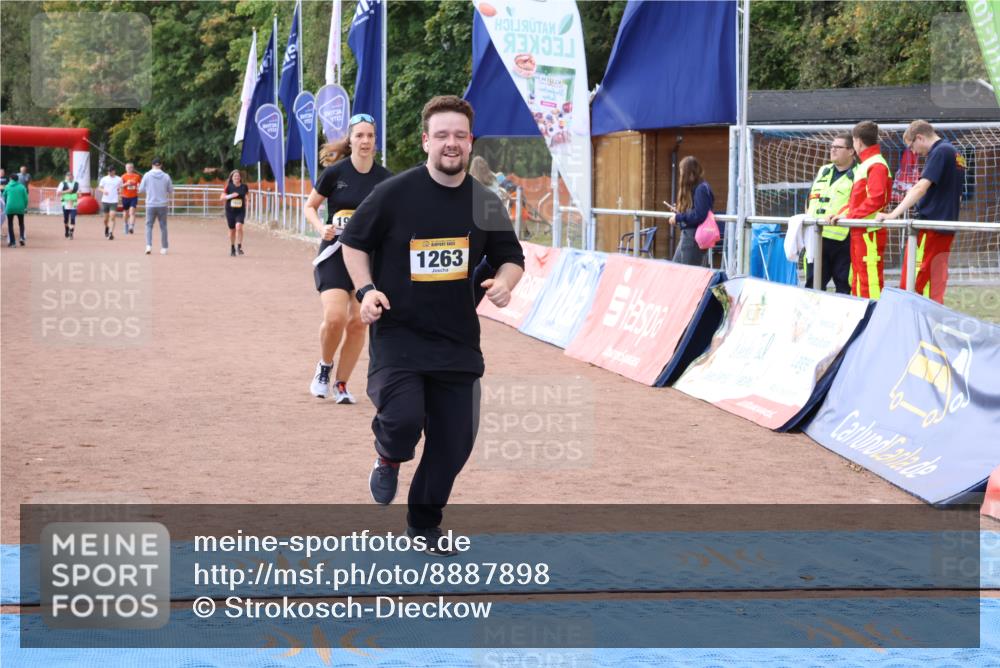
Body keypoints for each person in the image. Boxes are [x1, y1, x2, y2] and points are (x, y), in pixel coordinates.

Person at [340, 95, 525, 556]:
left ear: (471, 142)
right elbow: (354, 243)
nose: (451, 143)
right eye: (441, 135)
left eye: (459, 136)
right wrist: (366, 291)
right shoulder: (394, 193)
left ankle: (424, 525)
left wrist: (504, 284)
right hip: (398, 334)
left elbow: (512, 258)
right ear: (425, 140)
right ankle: (387, 457)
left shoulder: (485, 202)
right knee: (402, 421)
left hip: (458, 341)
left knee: (454, 443)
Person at [304, 113, 392, 402]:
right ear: (351, 140)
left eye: (370, 136)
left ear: (375, 141)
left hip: (368, 260)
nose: (365, 141)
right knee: (335, 317)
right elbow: (310, 207)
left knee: (358, 323)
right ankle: (324, 367)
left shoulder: (386, 180)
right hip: (334, 254)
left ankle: (342, 384)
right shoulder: (335, 173)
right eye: (359, 136)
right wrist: (322, 228)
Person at [876, 120, 965, 304]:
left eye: (911, 146)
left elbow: (920, 188)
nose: (914, 152)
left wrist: (893, 214)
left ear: (920, 138)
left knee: (914, 281)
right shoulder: (955, 153)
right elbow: (958, 196)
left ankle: (913, 324)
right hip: (943, 227)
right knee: (935, 280)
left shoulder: (940, 152)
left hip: (930, 227)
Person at [832, 121, 893, 299]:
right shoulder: (868, 164)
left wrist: (850, 216)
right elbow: (856, 201)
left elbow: (876, 200)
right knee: (858, 277)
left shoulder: (875, 164)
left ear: (857, 142)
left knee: (869, 280)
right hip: (862, 230)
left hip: (870, 232)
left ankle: (873, 320)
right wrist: (841, 214)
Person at [803, 133, 856, 293]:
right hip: (817, 237)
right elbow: (810, 198)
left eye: (838, 147)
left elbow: (858, 203)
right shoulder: (824, 170)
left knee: (844, 285)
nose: (833, 150)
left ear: (851, 151)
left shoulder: (859, 173)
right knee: (813, 284)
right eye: (831, 147)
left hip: (843, 240)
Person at [665, 156, 714, 266]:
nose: (681, 176)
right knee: (676, 270)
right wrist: (680, 213)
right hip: (689, 236)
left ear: (690, 173)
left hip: (693, 237)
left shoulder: (701, 188)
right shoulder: (700, 187)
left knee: (686, 273)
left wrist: (679, 217)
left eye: (682, 173)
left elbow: (700, 214)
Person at [139, 157, 174, 255]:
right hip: (162, 204)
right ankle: (164, 248)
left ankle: (148, 246)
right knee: (163, 226)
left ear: (152, 165)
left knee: (149, 226)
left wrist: (148, 188)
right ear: (161, 165)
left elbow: (140, 189)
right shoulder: (166, 176)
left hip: (150, 204)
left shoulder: (146, 175)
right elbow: (171, 190)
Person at [220, 169, 250, 257]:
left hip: (240, 211)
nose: (237, 177)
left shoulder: (244, 186)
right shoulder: (228, 187)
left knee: (239, 226)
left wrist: (248, 201)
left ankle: (239, 247)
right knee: (232, 230)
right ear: (232, 178)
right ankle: (232, 247)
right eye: (235, 176)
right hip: (230, 211)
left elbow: (247, 194)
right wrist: (231, 195)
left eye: (238, 176)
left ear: (240, 178)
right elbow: (221, 198)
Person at [97, 165, 123, 240]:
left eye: (111, 171)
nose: (110, 173)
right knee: (105, 219)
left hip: (114, 200)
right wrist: (103, 191)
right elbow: (99, 187)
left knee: (112, 216)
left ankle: (111, 233)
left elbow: (121, 188)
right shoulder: (104, 179)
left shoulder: (119, 179)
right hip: (105, 200)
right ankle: (107, 228)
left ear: (114, 171)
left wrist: (120, 193)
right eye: (108, 171)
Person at [3, 176, 28, 247]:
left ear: (10, 179)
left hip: (10, 207)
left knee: (10, 224)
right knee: (21, 223)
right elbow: (26, 198)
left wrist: (6, 204)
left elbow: (4, 196)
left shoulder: (7, 186)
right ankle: (22, 237)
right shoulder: (22, 187)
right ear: (18, 179)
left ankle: (13, 242)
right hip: (20, 207)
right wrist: (25, 206)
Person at [57, 171, 80, 239]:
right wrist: (67, 191)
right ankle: (67, 230)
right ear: (66, 177)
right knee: (66, 219)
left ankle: (71, 232)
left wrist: (79, 194)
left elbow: (79, 192)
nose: (69, 177)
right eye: (68, 176)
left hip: (74, 203)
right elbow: (58, 193)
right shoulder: (62, 183)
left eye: (71, 176)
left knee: (73, 218)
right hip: (65, 203)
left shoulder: (76, 183)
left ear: (73, 177)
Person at [121, 162, 142, 234]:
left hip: (134, 197)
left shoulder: (137, 176)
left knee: (132, 212)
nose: (129, 169)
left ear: (133, 168)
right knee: (125, 213)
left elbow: (140, 184)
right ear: (125, 168)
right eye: (127, 167)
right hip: (125, 197)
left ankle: (131, 227)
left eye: (130, 167)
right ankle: (125, 225)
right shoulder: (123, 176)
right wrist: (127, 184)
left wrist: (139, 187)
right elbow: (120, 186)